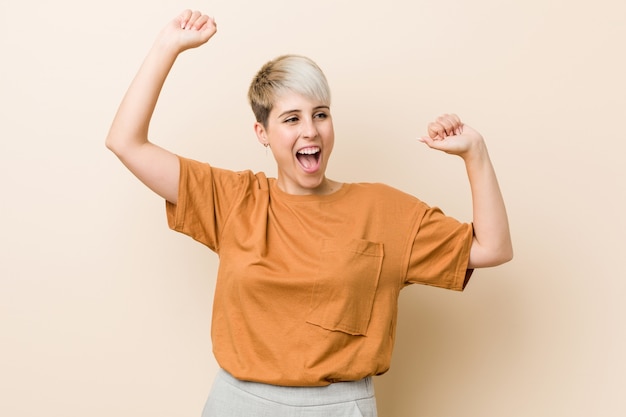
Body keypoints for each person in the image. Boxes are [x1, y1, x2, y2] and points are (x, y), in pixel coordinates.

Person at [105, 9, 513, 417]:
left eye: (320, 114)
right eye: (291, 119)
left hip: (339, 405)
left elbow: (492, 247)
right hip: (237, 403)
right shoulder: (233, 199)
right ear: (261, 133)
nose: (311, 131)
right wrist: (167, 46)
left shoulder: (384, 209)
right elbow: (126, 142)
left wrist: (474, 153)